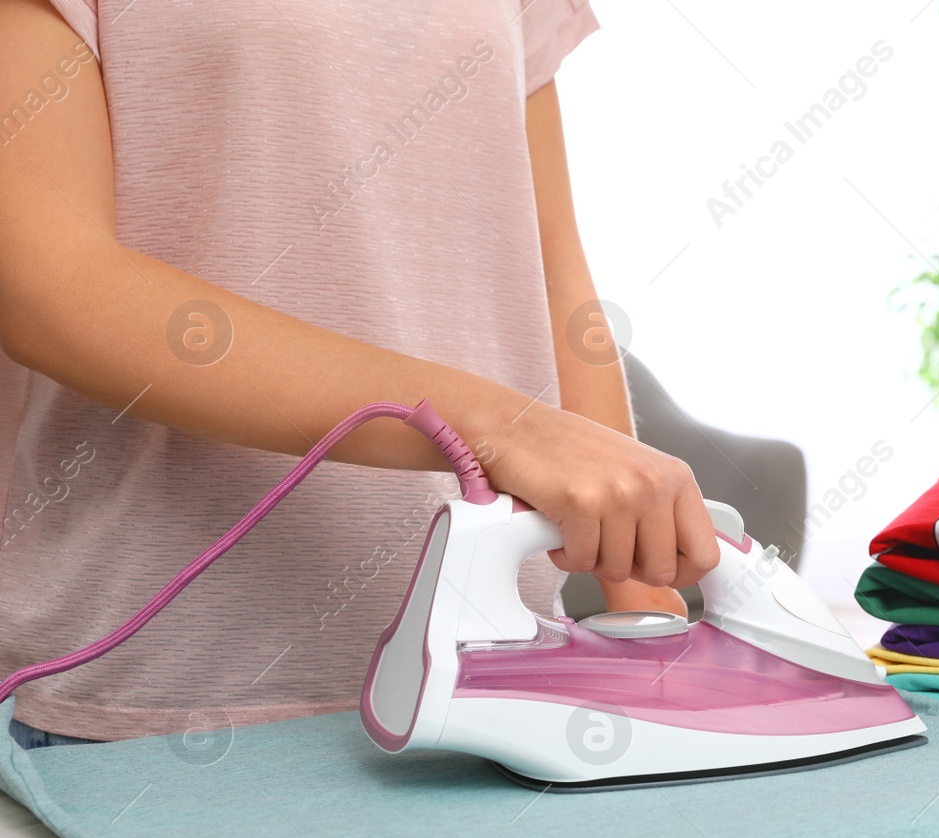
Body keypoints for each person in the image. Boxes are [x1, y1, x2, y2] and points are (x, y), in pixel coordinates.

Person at [0, 0, 717, 748]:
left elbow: (556, 277)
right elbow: (51, 289)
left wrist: (646, 605)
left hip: (495, 678)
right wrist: (496, 426)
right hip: (154, 697)